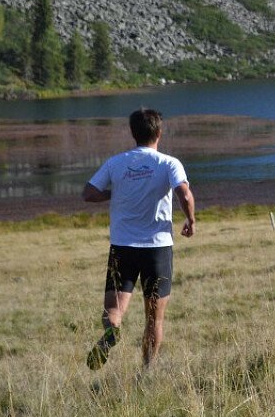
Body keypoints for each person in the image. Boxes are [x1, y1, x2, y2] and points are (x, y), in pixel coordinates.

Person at [83, 108, 196, 370]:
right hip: (157, 249)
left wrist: (115, 194)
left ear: (133, 133)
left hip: (122, 248)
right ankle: (146, 371)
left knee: (115, 309)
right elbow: (185, 194)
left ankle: (111, 332)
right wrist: (190, 220)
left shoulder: (116, 162)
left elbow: (88, 193)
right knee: (154, 319)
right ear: (159, 132)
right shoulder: (168, 163)